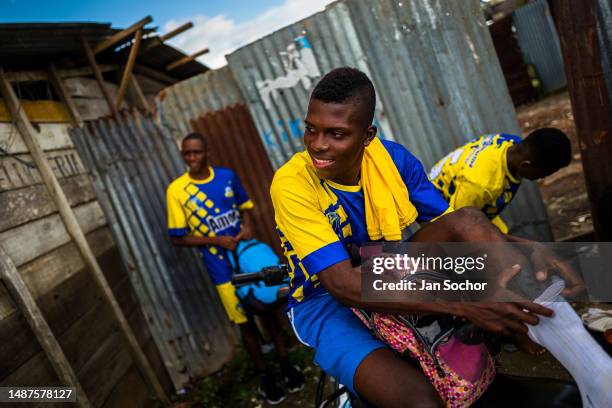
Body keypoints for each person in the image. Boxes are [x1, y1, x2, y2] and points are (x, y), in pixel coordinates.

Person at [270, 67, 584, 407]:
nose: (318, 145)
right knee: (421, 403)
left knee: (467, 220)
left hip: (386, 266)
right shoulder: (292, 184)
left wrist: (527, 248)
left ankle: (536, 325)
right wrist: (465, 300)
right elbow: (343, 285)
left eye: (336, 134)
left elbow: (455, 227)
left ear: (367, 135)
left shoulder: (391, 159)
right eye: (311, 129)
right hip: (327, 302)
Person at [166, 132, 303, 405]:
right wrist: (214, 240)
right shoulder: (177, 190)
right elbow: (177, 237)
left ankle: (286, 364)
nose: (192, 158)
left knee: (267, 309)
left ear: (207, 153)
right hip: (221, 268)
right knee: (244, 321)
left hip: (247, 257)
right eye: (187, 154)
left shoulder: (226, 176)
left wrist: (248, 225)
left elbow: (246, 207)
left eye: (196, 152)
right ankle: (266, 377)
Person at [428, 128, 571, 233]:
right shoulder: (481, 184)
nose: (542, 178)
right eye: (544, 174)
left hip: (467, 200)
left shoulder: (511, 143)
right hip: (438, 216)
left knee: (506, 240)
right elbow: (455, 226)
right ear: (526, 165)